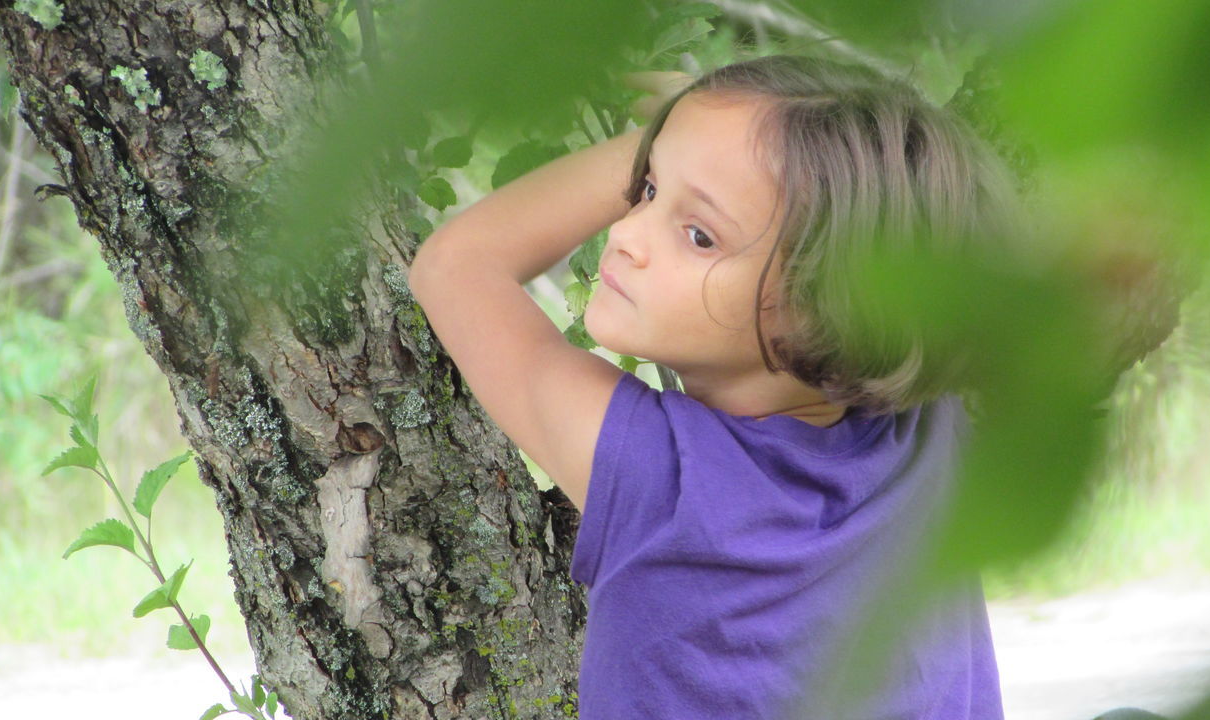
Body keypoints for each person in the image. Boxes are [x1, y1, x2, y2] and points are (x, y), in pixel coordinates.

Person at [409, 54, 1022, 719]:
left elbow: (455, 265)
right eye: (646, 190)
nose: (625, 233)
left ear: (824, 307)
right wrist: (700, 151)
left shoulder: (659, 477)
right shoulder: (930, 430)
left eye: (699, 235)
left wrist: (661, 142)